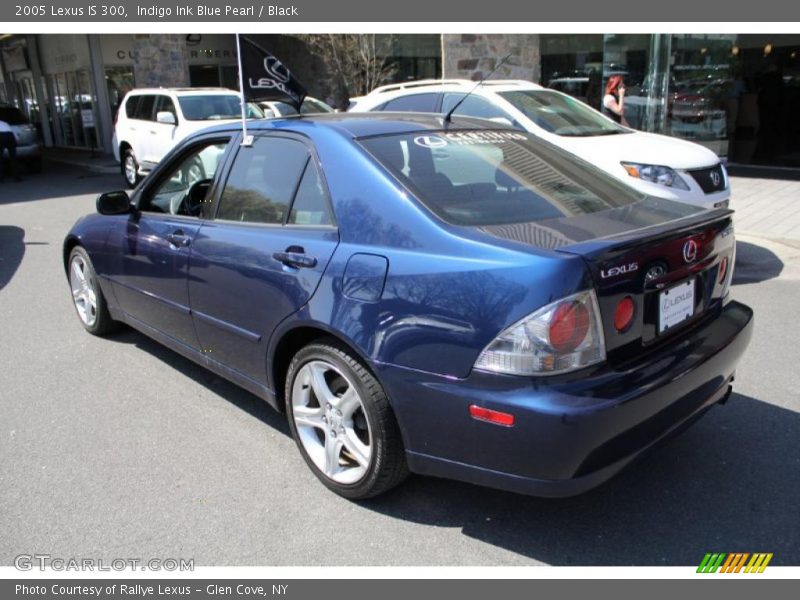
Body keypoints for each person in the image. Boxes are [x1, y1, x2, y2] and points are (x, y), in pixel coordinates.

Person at [0, 118, 21, 183]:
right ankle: (16, 177)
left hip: (1, 135)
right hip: (10, 135)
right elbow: (15, 133)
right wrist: (16, 140)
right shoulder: (4, 123)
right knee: (13, 157)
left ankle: (1, 178)